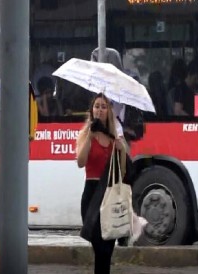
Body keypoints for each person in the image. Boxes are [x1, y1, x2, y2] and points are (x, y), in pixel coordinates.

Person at [76, 93, 129, 274]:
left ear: (109, 112)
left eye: (104, 106)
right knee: (100, 248)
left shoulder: (114, 137)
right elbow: (80, 162)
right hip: (92, 195)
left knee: (107, 250)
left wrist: (122, 150)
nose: (99, 110)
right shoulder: (85, 134)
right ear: (92, 110)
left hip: (109, 194)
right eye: (96, 106)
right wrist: (90, 137)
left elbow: (122, 171)